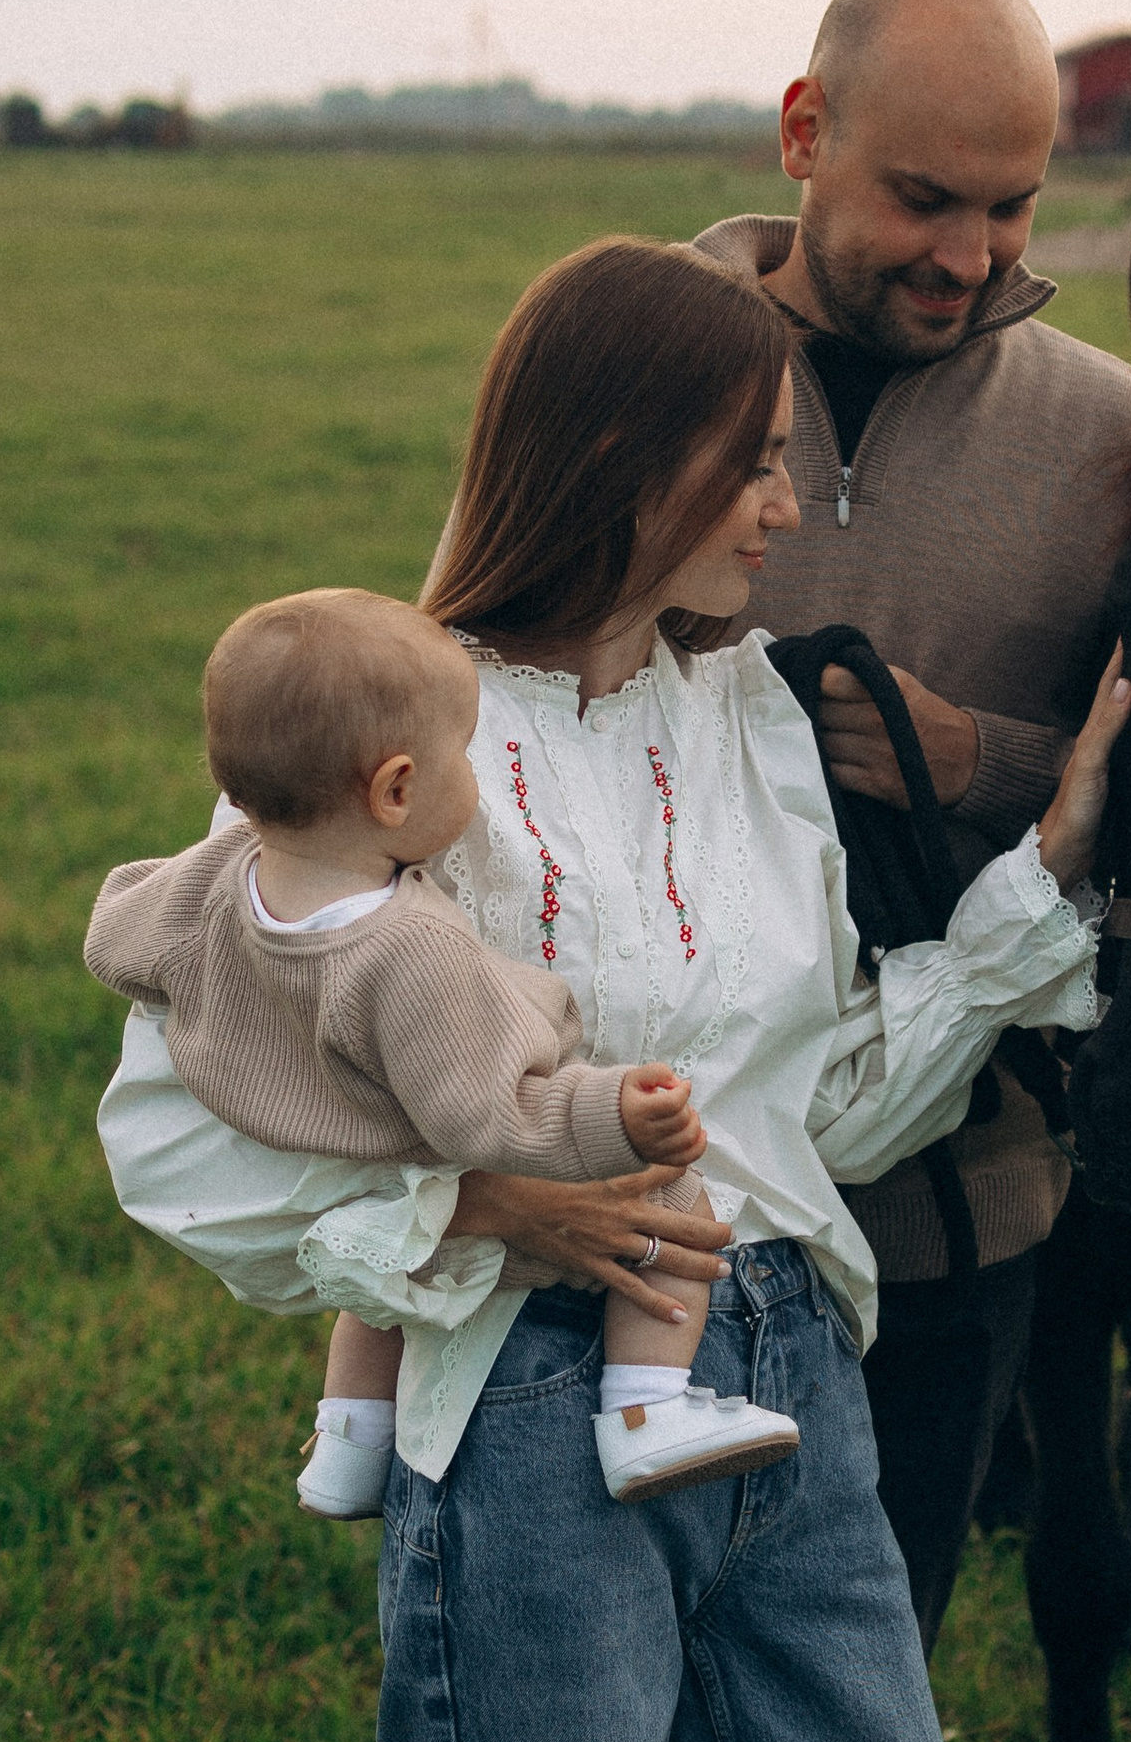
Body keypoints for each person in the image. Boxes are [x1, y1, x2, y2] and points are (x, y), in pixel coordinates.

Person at [94, 236, 1131, 1742]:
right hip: (533, 1434)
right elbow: (171, 1135)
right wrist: (470, 1210)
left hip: (786, 1387)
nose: (785, 499)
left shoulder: (762, 721)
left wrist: (1036, 897)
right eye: (747, 456)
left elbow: (809, 1104)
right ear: (617, 463)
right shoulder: (393, 732)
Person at [442, 0, 1131, 1648]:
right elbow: (475, 697)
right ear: (802, 131)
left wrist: (971, 757)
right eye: (923, 199)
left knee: (854, 1679)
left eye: (1015, 208)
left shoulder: (1124, 436)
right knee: (619, 1694)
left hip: (958, 1204)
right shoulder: (628, 365)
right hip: (621, 1232)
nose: (971, 259)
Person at [82, 586, 796, 1506]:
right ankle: (647, 1412)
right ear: (396, 790)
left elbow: (116, 940)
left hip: (314, 1141)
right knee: (672, 1201)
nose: (476, 774)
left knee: (382, 1281)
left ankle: (347, 1438)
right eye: (463, 755)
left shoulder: (220, 875)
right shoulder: (411, 950)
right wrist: (618, 1116)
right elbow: (490, 1119)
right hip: (408, 1138)